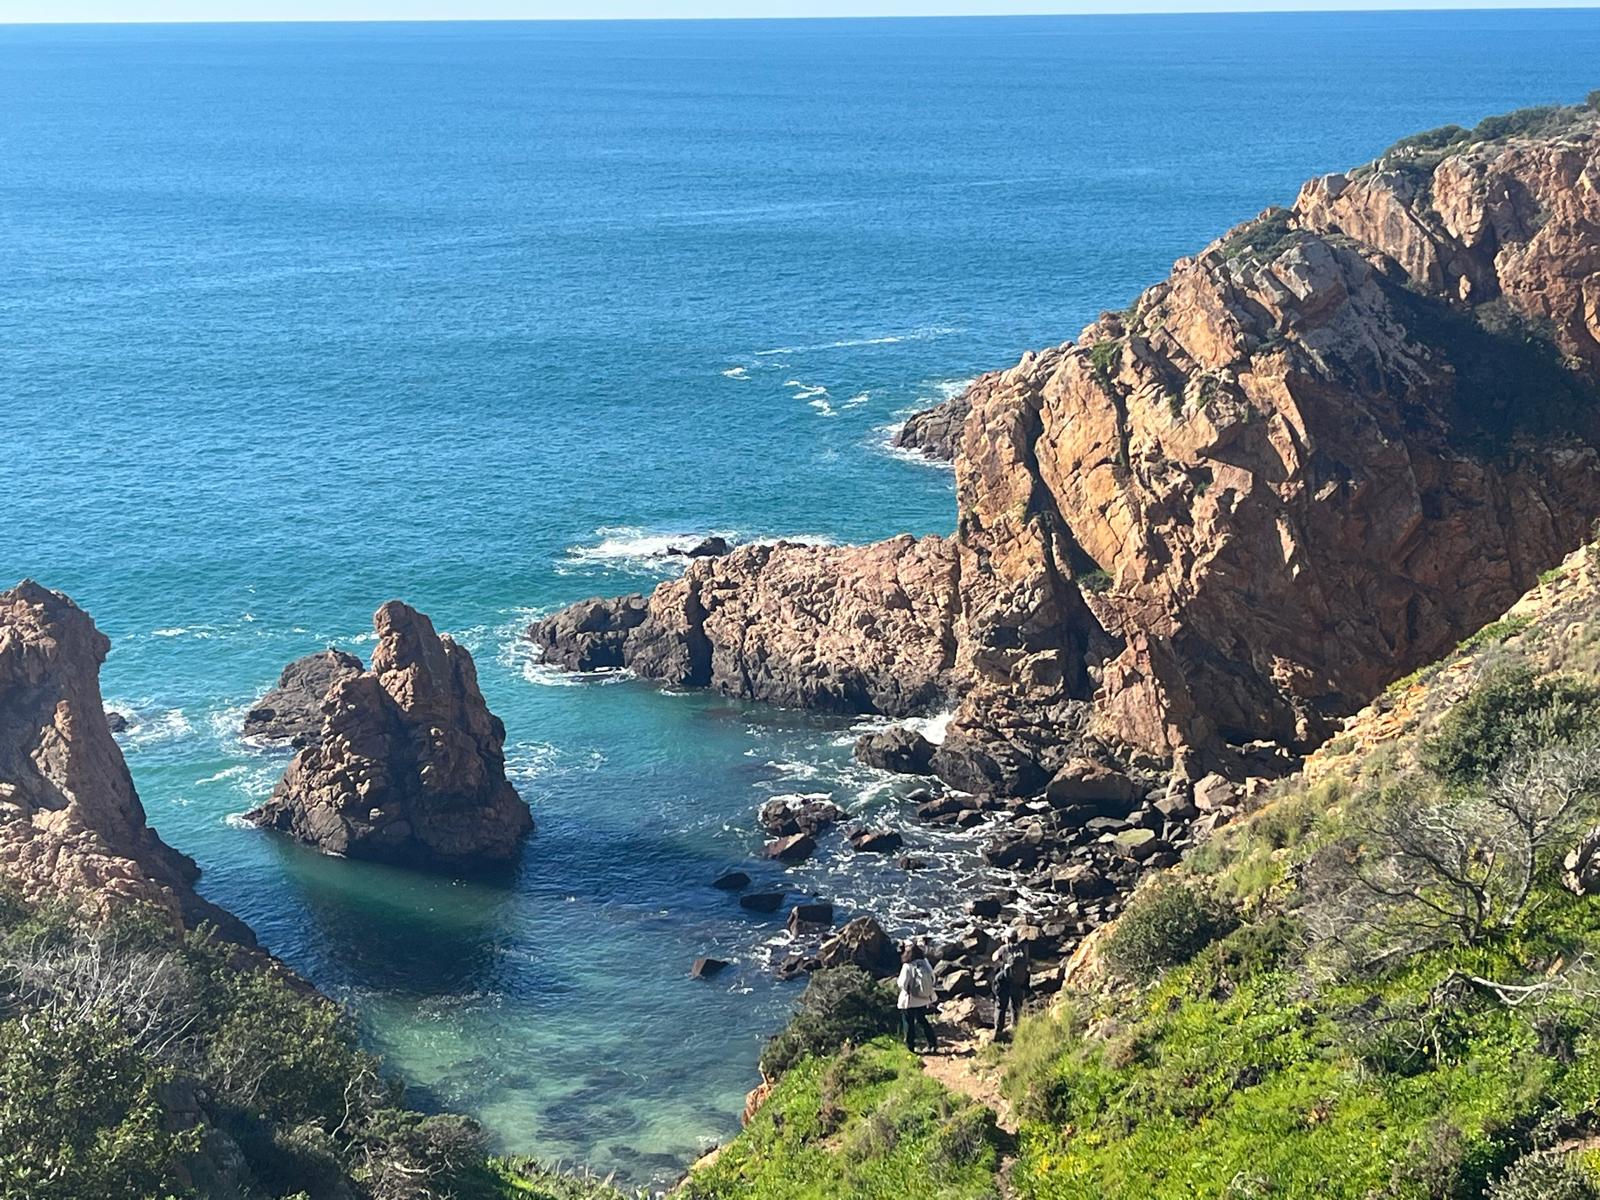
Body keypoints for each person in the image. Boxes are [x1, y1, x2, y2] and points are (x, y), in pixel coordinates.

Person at [896, 941, 938, 1054]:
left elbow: (902, 984)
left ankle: (910, 1047)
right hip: (924, 999)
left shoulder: (907, 966)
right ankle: (932, 1043)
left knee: (908, 1023)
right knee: (922, 1021)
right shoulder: (925, 962)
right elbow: (933, 978)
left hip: (909, 1000)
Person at [991, 928, 1029, 1040]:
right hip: (1019, 982)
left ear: (1007, 939)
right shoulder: (1022, 948)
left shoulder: (1004, 948)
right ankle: (1015, 1029)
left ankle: (998, 1032)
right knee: (1016, 1006)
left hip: (1006, 982)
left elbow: (993, 958)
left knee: (1001, 1006)